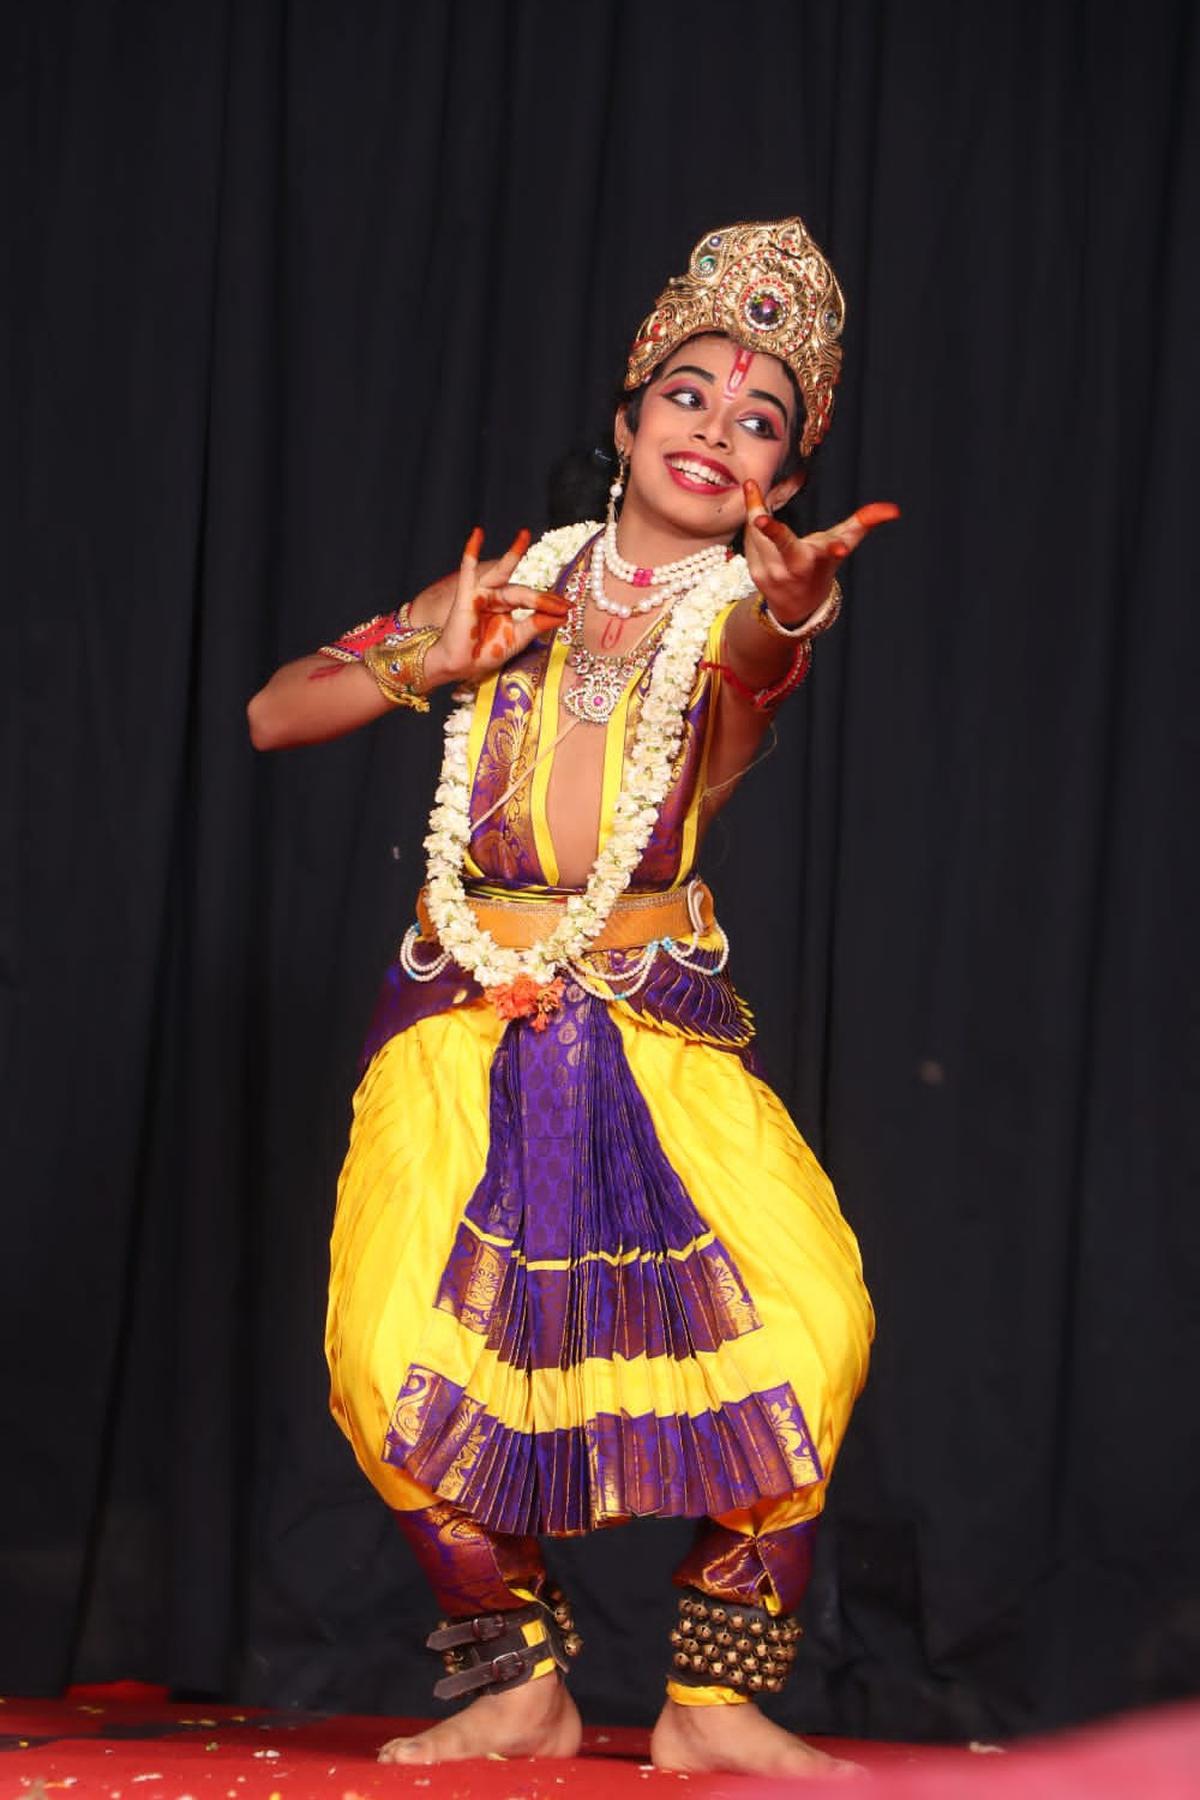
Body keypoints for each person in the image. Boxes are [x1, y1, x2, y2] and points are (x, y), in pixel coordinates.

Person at [249, 217, 898, 1779]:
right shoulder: (516, 593)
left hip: (651, 1016)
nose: (716, 431)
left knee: (812, 1328)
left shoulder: (732, 616)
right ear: (624, 420)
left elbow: (762, 655)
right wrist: (432, 654)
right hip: (463, 1022)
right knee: (390, 1356)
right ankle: (521, 1683)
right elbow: (277, 714)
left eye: (761, 423)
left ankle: (710, 1702)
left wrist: (796, 605)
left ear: (786, 489)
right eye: (690, 395)